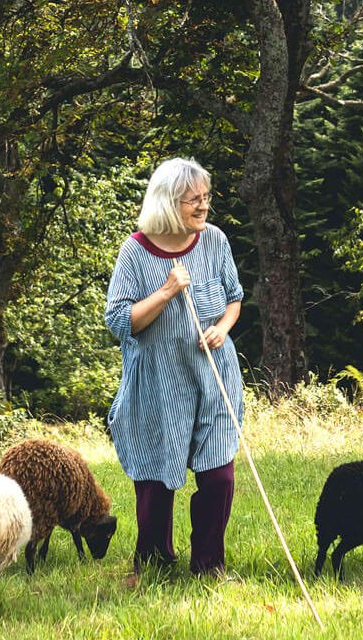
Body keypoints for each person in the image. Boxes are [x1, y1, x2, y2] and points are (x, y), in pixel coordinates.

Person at [105, 157, 244, 578]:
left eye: (206, 198)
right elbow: (119, 322)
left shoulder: (215, 240)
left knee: (219, 476)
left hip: (212, 378)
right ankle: (154, 560)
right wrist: (166, 291)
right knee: (156, 480)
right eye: (192, 201)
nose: (203, 207)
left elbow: (235, 297)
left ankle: (208, 564)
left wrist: (221, 327)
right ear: (167, 203)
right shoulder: (135, 251)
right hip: (157, 385)